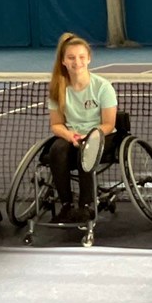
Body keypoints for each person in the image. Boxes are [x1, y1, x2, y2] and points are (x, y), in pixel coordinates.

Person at [46, 33, 117, 224]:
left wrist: (90, 136)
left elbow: (109, 124)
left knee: (87, 150)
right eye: (71, 58)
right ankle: (67, 205)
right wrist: (70, 136)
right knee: (56, 150)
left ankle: (86, 206)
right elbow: (56, 124)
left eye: (81, 57)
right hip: (72, 135)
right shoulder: (57, 89)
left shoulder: (103, 87)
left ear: (88, 59)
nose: (77, 62)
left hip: (102, 135)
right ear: (63, 61)